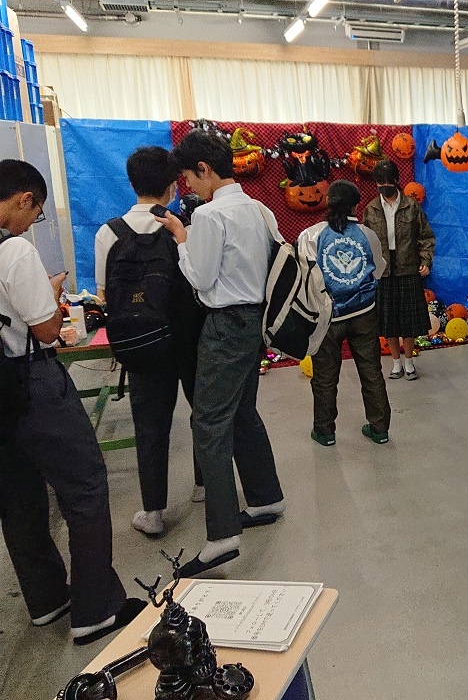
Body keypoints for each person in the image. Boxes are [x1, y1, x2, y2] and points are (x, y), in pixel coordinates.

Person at [0, 159, 145, 645]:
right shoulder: (14, 251)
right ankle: (96, 609)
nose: (31, 223)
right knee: (84, 486)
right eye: (36, 212)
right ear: (25, 199)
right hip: (30, 381)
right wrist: (51, 292)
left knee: (18, 495)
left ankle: (46, 599)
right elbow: (45, 330)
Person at [154, 131, 285, 578]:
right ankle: (266, 498)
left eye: (189, 178)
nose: (188, 186)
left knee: (208, 423)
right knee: (242, 412)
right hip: (257, 321)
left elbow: (203, 280)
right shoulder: (260, 208)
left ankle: (223, 536)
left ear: (204, 169)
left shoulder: (209, 215)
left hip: (225, 324)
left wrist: (181, 239)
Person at [94, 146, 205, 537]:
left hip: (142, 344)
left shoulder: (108, 232)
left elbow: (105, 296)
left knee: (150, 426)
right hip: (189, 338)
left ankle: (154, 512)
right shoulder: (183, 227)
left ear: (131, 182)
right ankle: (204, 486)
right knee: (202, 413)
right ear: (173, 184)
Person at [299, 180, 392, 446]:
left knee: (325, 375)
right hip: (364, 312)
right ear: (356, 205)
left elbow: (306, 278)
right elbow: (378, 270)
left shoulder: (311, 235)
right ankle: (380, 429)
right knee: (371, 370)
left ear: (327, 202)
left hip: (328, 316)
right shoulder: (367, 234)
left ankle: (325, 432)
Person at [362, 159, 434, 381]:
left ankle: (409, 362)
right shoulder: (371, 209)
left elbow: (426, 237)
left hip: (408, 267)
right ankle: (395, 363)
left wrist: (426, 260)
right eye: (379, 182)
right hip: (383, 271)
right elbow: (366, 241)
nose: (383, 186)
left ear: (396, 180)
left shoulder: (411, 206)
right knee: (389, 320)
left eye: (387, 181)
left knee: (408, 320)